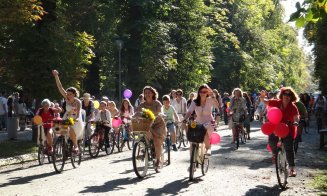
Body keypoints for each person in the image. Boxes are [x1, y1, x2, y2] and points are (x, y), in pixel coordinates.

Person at [260, 87, 299, 177]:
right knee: (271, 141)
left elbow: (296, 117)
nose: (287, 96)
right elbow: (265, 101)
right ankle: (275, 153)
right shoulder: (276, 102)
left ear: (292, 97)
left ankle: (292, 168)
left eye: (289, 95)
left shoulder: (293, 107)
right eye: (285, 94)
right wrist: (262, 97)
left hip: (288, 129)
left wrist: (296, 122)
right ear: (282, 95)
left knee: (289, 147)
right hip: (275, 126)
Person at [52, 70, 84, 152]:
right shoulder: (66, 99)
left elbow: (78, 113)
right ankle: (64, 144)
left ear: (74, 94)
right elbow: (60, 87)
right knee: (58, 128)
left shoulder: (78, 102)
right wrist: (56, 76)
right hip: (67, 116)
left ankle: (75, 146)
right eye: (67, 94)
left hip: (76, 119)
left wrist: (75, 119)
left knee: (70, 126)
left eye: (70, 94)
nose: (68, 95)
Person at [135, 86, 167, 170]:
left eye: (149, 92)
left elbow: (161, 112)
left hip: (158, 124)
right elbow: (137, 113)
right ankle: (144, 149)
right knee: (142, 135)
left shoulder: (157, 103)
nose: (147, 94)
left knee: (157, 141)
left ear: (153, 93)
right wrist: (133, 117)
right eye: (145, 93)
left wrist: (160, 114)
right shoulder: (142, 105)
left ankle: (158, 160)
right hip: (147, 125)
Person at [183, 84, 219, 156]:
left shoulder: (210, 100)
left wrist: (213, 96)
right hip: (198, 121)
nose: (202, 93)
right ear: (198, 92)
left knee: (204, 130)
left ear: (207, 93)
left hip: (209, 121)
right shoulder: (195, 102)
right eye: (201, 92)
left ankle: (208, 148)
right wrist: (185, 118)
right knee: (192, 132)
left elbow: (217, 106)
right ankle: (192, 159)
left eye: (205, 92)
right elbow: (189, 111)